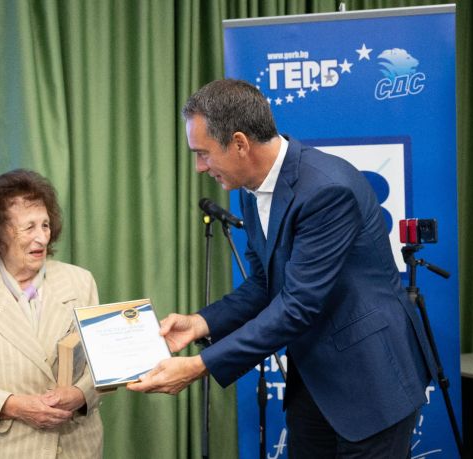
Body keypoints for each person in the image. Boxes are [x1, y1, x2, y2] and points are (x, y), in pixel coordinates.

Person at [128, 79, 437, 458]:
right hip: (315, 381)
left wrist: (201, 364)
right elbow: (264, 283)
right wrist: (200, 323)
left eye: (203, 154)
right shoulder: (249, 189)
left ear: (239, 143)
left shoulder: (327, 190)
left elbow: (297, 305)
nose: (199, 167)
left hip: (371, 382)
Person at [0, 169, 103, 458]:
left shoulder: (80, 282)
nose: (42, 238)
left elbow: (100, 364)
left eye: (45, 225)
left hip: (74, 447)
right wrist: (17, 406)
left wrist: (79, 395)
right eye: (29, 228)